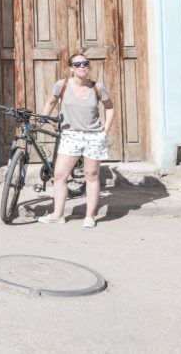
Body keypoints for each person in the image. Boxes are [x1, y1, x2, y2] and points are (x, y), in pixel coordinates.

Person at [38, 52, 115, 228]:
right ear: (71, 68)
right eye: (78, 64)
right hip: (70, 134)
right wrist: (43, 119)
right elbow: (51, 102)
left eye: (85, 63)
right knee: (59, 175)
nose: (82, 66)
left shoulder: (97, 87)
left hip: (93, 136)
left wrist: (105, 130)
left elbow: (110, 108)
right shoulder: (62, 85)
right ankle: (58, 214)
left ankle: (90, 215)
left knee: (91, 175)